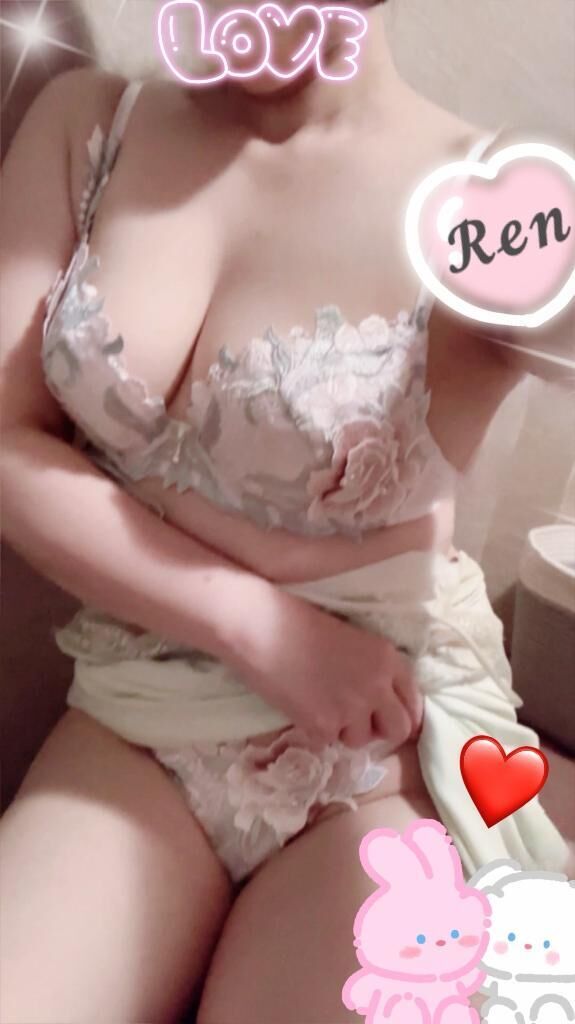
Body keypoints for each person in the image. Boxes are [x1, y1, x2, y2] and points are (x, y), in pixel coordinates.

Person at [1, 1, 573, 1021]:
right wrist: (257, 625)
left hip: (376, 746)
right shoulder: (90, 121)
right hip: (140, 711)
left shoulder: (488, 197)